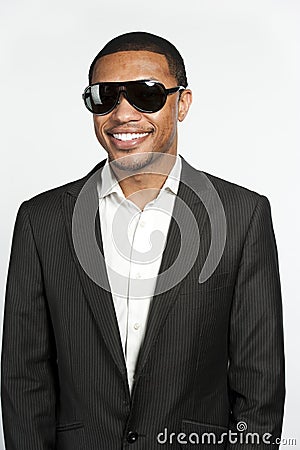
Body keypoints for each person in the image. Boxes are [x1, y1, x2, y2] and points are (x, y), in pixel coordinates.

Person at [1, 31, 285, 449]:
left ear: (182, 103)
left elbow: (259, 384)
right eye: (105, 97)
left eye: (146, 95)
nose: (123, 114)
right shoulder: (41, 220)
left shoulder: (242, 215)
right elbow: (24, 377)